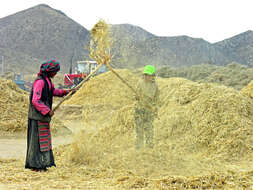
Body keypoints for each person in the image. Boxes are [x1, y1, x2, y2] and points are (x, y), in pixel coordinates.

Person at [25, 59, 74, 172]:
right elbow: (35, 100)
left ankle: (42, 164)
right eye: (55, 72)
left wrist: (67, 92)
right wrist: (47, 110)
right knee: (37, 142)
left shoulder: (47, 81)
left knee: (44, 142)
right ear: (50, 71)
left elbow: (53, 91)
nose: (55, 74)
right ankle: (35, 165)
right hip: (37, 117)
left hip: (43, 117)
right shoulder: (40, 82)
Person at [134, 65, 159, 149]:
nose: (148, 77)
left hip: (149, 111)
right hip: (140, 110)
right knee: (139, 130)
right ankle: (139, 148)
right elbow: (135, 96)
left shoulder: (155, 86)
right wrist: (139, 97)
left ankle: (149, 148)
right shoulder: (140, 83)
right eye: (147, 75)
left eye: (150, 75)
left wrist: (155, 108)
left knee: (149, 130)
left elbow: (156, 99)